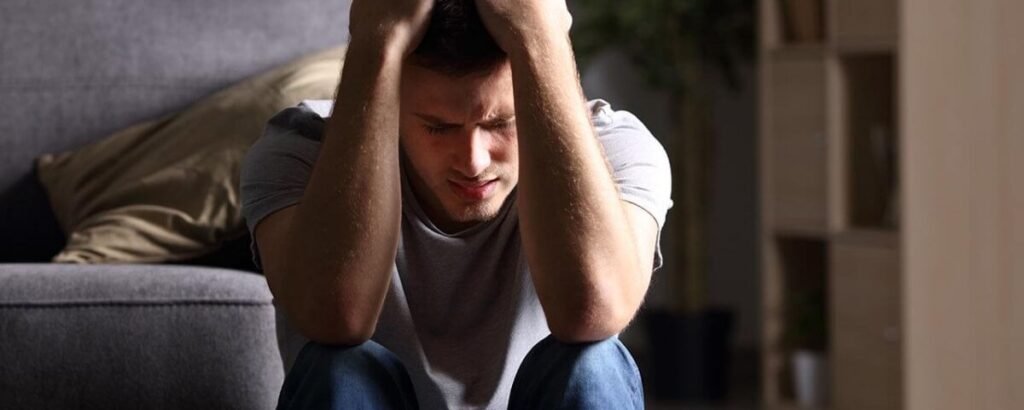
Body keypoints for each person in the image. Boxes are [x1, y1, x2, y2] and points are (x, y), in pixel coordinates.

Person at [240, 0, 672, 408]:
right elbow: (336, 318)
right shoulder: (302, 154)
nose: (473, 161)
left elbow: (592, 310)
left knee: (593, 364)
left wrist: (543, 36)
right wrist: (377, 41)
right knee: (337, 368)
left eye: (501, 123)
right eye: (438, 128)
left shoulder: (612, 150)